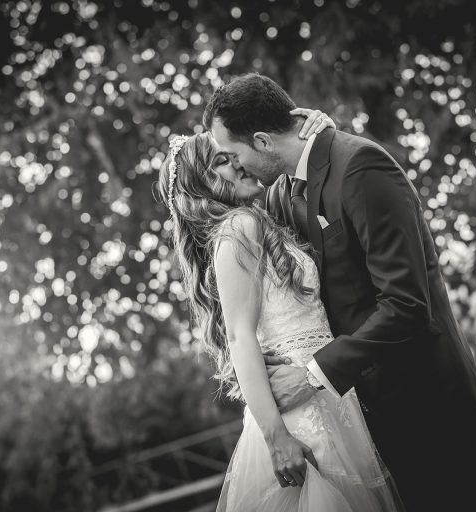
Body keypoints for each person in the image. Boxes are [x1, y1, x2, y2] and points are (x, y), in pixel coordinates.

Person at [203, 73, 476, 512]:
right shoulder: (283, 193)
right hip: (366, 421)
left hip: (426, 409)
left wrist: (310, 375)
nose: (234, 167)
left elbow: (406, 304)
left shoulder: (361, 166)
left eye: (233, 154)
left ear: (264, 141)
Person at [156, 113, 404, 511]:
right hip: (298, 413)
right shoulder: (238, 228)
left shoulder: (258, 218)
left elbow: (285, 163)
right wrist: (277, 438)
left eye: (232, 153)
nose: (237, 161)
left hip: (324, 393)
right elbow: (239, 337)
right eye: (221, 160)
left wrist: (318, 124)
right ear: (201, 183)